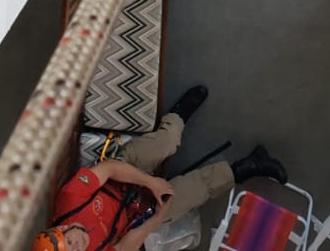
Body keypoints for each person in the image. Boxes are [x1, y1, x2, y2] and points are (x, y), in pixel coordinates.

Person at [37, 86, 286, 251]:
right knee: (188, 195)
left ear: (62, 228)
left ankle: (177, 116)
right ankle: (249, 165)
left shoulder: (70, 200)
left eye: (69, 242)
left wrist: (150, 182)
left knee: (166, 143)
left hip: (124, 171)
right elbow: (123, 248)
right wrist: (154, 220)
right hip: (136, 213)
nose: (78, 246)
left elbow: (109, 169)